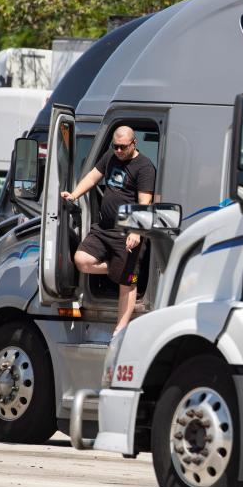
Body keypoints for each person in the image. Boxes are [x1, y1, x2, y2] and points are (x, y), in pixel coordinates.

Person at [61, 125, 156, 336]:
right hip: (104, 229)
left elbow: (145, 201)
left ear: (134, 143)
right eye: (116, 146)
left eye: (123, 147)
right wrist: (74, 195)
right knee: (82, 260)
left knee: (127, 283)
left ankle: (119, 329)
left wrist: (136, 231)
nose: (119, 151)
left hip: (127, 231)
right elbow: (92, 177)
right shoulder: (110, 156)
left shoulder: (144, 167)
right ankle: (118, 268)